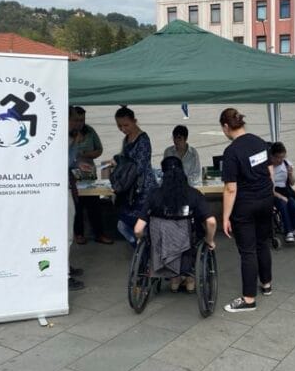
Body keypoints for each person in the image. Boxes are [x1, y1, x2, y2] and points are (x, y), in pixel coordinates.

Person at [134, 156, 216, 293]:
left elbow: (138, 229)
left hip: (161, 244)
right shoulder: (194, 194)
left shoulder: (154, 195)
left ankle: (174, 279)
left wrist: (141, 238)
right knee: (197, 234)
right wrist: (210, 240)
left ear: (163, 173)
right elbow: (211, 221)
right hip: (188, 241)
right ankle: (189, 279)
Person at [220, 108, 273, 312]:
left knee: (248, 251)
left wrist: (225, 217)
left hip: (246, 205)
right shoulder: (260, 142)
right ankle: (266, 284)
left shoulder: (232, 152)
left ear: (226, 127)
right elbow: (269, 172)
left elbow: (230, 188)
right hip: (266, 200)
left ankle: (249, 299)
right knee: (262, 244)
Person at [68, 106, 113, 245]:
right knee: (77, 206)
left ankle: (99, 234)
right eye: (76, 120)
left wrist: (84, 155)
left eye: (82, 120)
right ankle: (78, 234)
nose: (79, 123)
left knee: (94, 205)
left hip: (88, 173)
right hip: (72, 175)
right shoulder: (66, 134)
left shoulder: (90, 131)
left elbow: (99, 150)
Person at [114, 106, 157, 245]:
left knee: (141, 222)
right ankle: (140, 248)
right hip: (130, 188)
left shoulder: (143, 139)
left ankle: (145, 251)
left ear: (135, 121)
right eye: (119, 126)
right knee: (123, 223)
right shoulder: (126, 139)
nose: (123, 129)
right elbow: (124, 159)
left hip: (144, 188)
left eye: (126, 125)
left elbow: (139, 166)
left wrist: (121, 166)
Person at [269, 142, 295, 242]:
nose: (280, 160)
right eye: (278, 157)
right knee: (283, 203)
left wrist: (290, 174)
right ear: (272, 156)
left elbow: (292, 183)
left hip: (285, 189)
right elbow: (268, 188)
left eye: (283, 157)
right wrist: (280, 197)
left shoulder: (286, 163)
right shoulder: (267, 167)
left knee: (293, 203)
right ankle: (288, 231)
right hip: (272, 192)